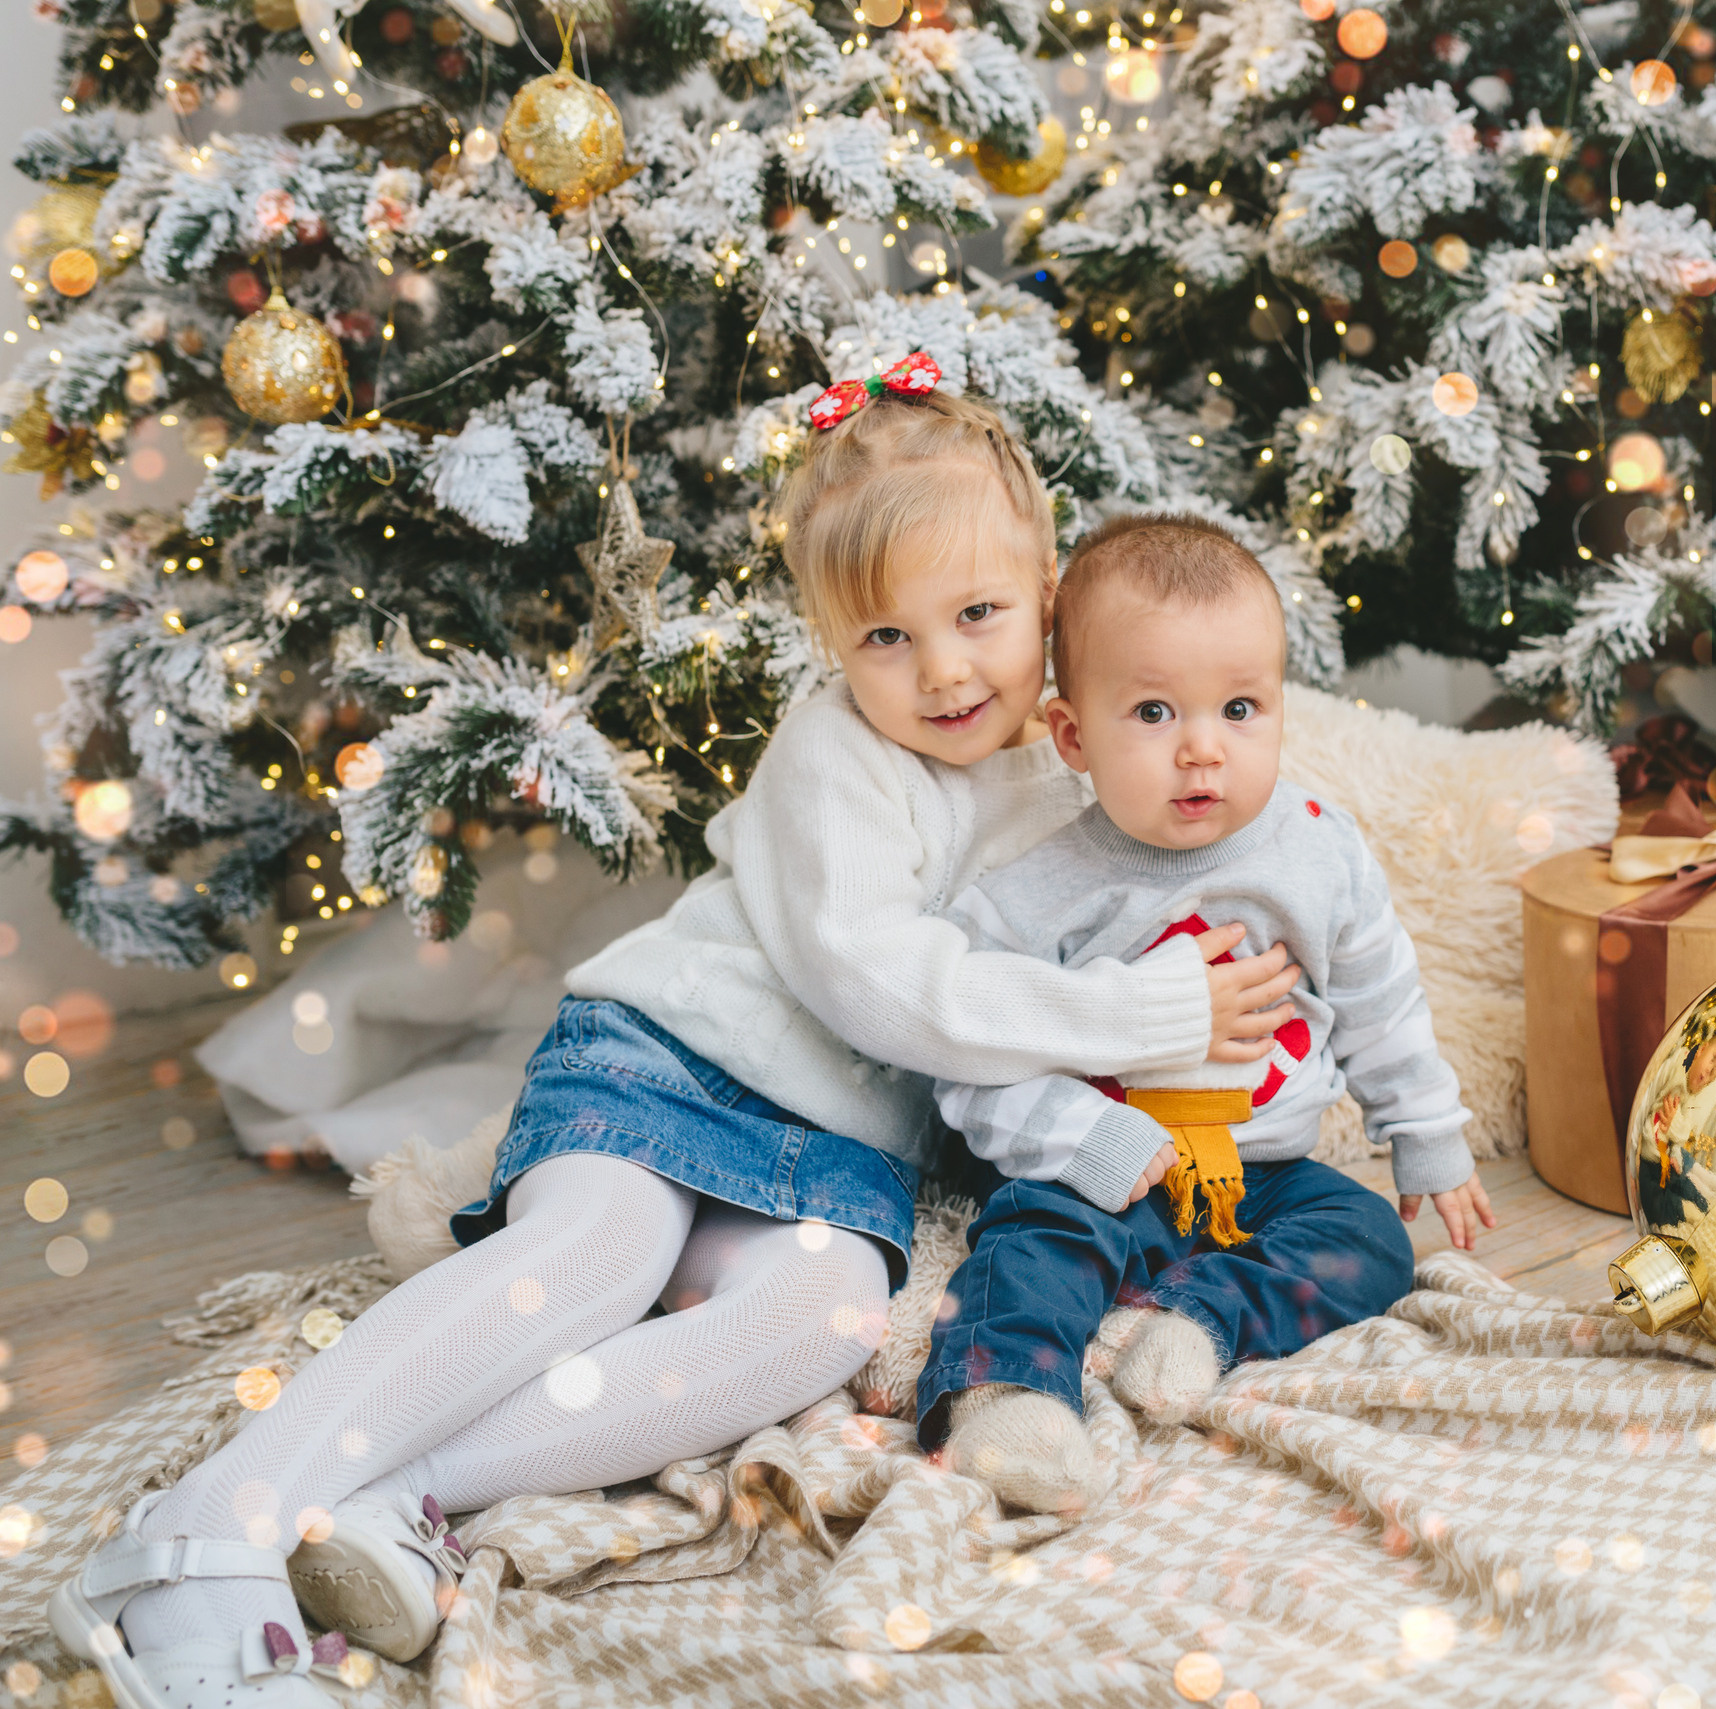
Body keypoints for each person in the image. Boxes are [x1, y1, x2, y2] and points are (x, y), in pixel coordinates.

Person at [47, 362, 1303, 1709]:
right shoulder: (840, 759)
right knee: (602, 1246)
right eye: (886, 636)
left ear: (1048, 590)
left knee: (820, 1315)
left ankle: (393, 1491)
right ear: (829, 638)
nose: (942, 668)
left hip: (832, 1148)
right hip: (668, 1061)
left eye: (980, 615)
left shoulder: (1068, 769)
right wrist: (1148, 1013)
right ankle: (200, 1527)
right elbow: (887, 986)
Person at [915, 512, 1496, 1514]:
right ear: (1071, 733)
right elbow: (969, 1054)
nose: (1201, 750)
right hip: (1104, 1169)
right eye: (1151, 712)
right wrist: (1083, 1136)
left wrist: (1426, 1132)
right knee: (1032, 1239)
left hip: (1262, 1173)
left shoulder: (1315, 846)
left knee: (1367, 1238)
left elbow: (1379, 997)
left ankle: (1198, 1321)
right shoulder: (1034, 889)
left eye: (1239, 708)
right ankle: (1002, 1396)